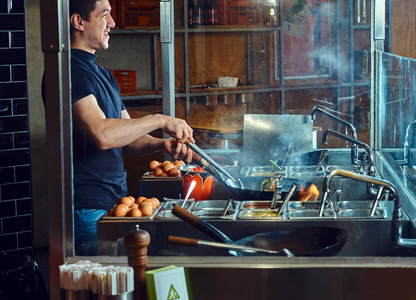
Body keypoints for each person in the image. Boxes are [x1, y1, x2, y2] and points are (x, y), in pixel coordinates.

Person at [66, 0, 194, 255]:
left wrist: (162, 144)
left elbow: (128, 138)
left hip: (113, 203)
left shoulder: (104, 75)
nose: (112, 24)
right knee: (102, 292)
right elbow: (102, 134)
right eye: (104, 15)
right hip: (88, 209)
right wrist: (160, 119)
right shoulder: (69, 70)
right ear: (79, 21)